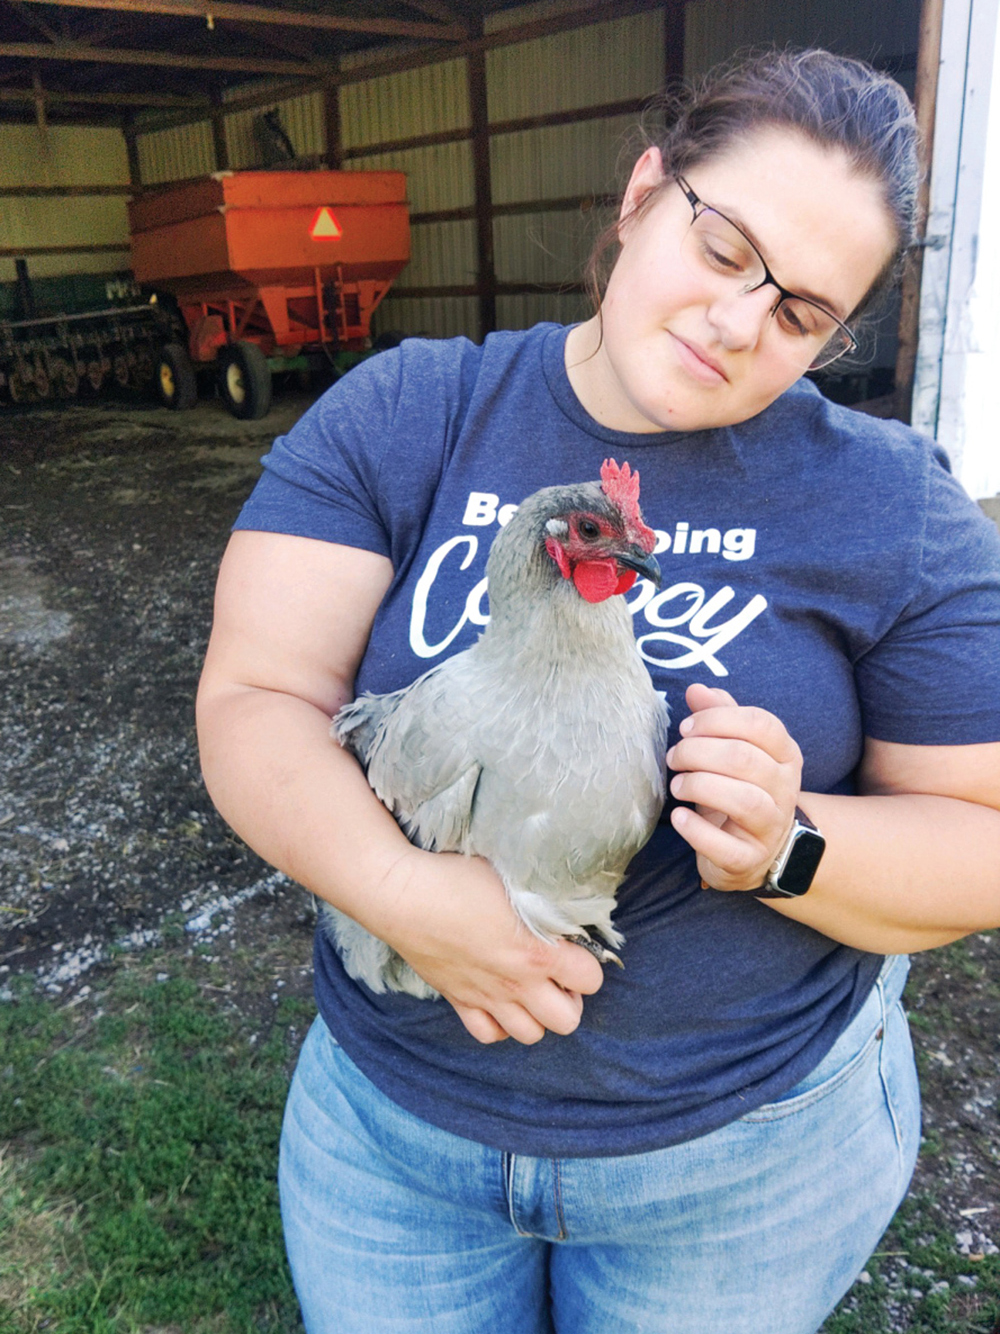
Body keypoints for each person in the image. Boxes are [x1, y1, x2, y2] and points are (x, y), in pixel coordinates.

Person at [196, 47, 1000, 1334]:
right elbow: (254, 698)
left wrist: (794, 845)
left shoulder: (893, 501)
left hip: (741, 1165)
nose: (741, 320)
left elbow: (984, 844)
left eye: (799, 313)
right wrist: (407, 893)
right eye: (726, 246)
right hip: (394, 1139)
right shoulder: (411, 408)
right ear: (642, 192)